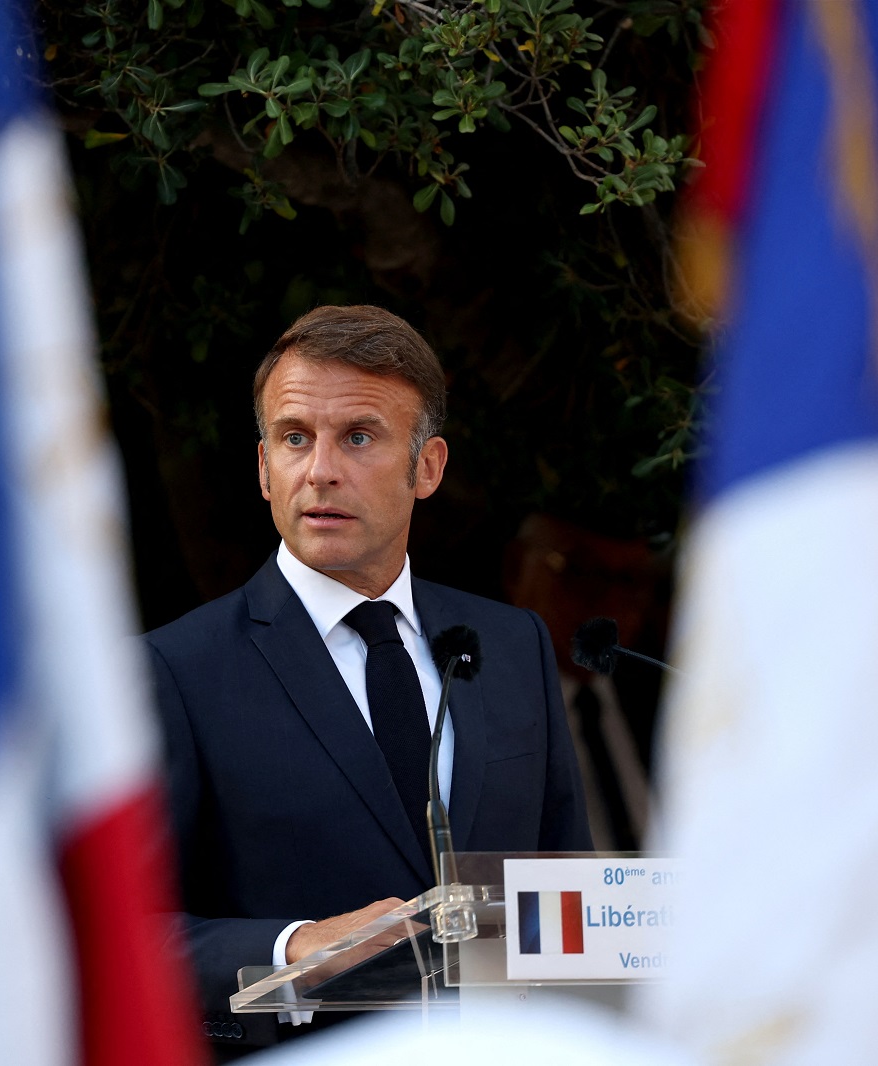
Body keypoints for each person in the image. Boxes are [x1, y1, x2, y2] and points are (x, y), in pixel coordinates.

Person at [145, 305, 591, 1055]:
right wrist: (294, 946)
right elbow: (122, 935)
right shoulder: (175, 670)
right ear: (263, 469)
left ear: (428, 467)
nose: (320, 469)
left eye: (358, 437)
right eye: (294, 438)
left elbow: (560, 880)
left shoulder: (510, 645)